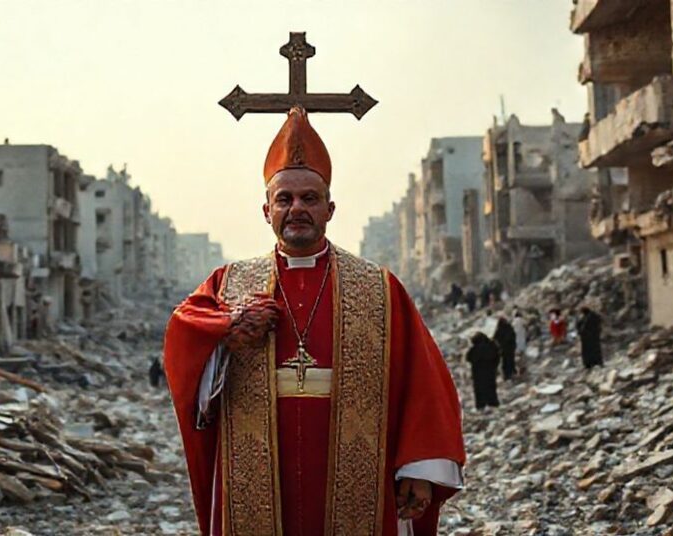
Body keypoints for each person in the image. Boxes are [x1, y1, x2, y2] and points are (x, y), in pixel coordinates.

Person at [164, 106, 465, 536]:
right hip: (258, 464)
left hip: (358, 466)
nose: (297, 208)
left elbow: (423, 383)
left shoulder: (378, 287)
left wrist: (418, 467)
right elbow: (183, 333)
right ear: (267, 211)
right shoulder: (229, 284)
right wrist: (227, 330)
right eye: (284, 199)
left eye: (310, 198)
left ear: (330, 208)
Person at [465, 332, 500, 409]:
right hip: (490, 371)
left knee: (480, 389)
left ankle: (481, 405)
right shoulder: (491, 346)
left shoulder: (474, 349)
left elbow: (468, 358)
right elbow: (496, 356)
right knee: (490, 387)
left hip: (478, 373)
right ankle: (493, 402)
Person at [493, 314, 517, 381]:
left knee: (505, 361)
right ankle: (512, 372)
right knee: (511, 360)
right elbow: (513, 336)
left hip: (503, 349)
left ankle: (507, 375)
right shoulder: (509, 327)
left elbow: (495, 339)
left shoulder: (498, 330)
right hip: (510, 347)